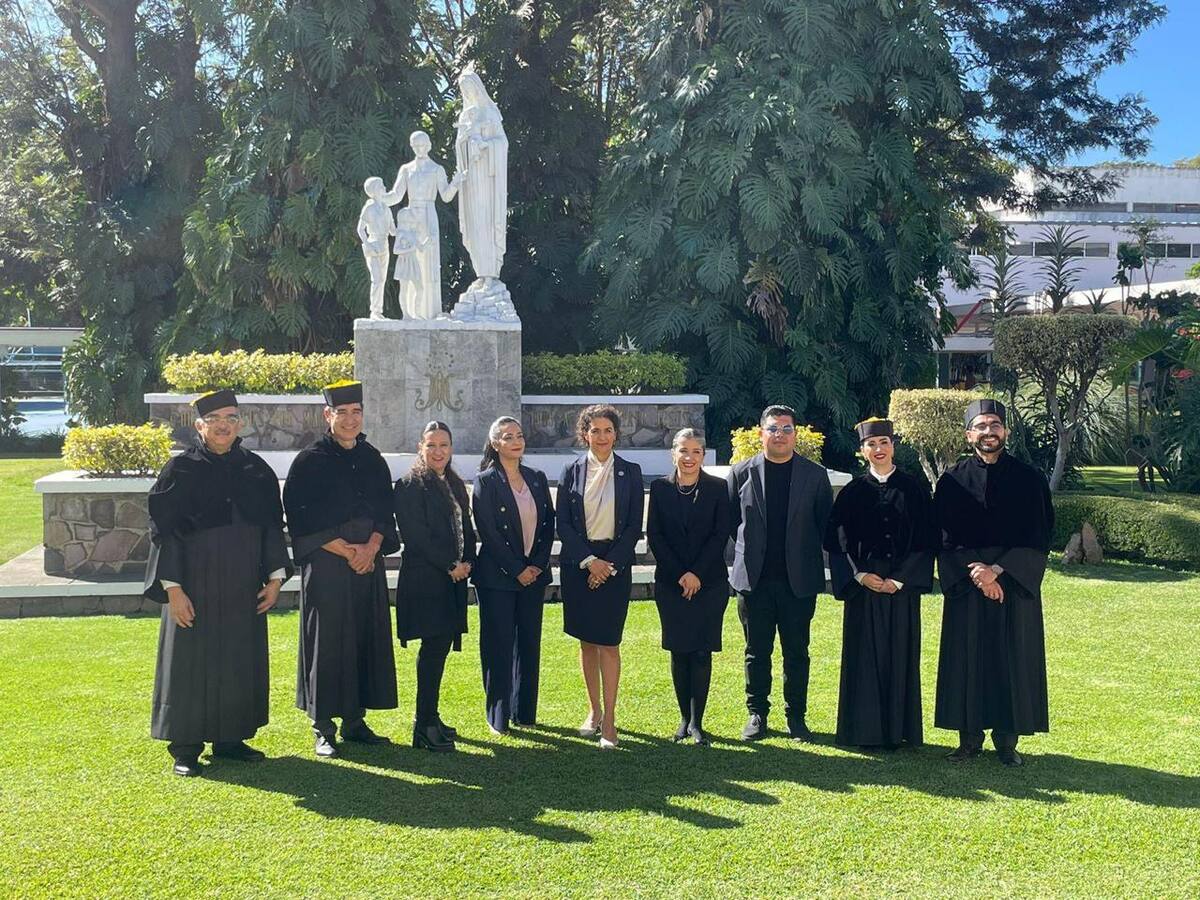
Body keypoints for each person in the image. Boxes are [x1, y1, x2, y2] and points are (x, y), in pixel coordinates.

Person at [144, 389, 292, 777]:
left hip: (244, 584)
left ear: (240, 423)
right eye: (215, 419)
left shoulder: (256, 470)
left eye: (231, 417)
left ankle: (231, 738)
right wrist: (173, 590)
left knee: (238, 658)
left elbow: (271, 527)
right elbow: (165, 533)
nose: (224, 425)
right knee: (191, 661)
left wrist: (275, 579)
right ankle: (186, 747)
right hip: (194, 583)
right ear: (199, 425)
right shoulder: (180, 470)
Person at [283, 380, 400, 759]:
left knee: (364, 636)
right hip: (328, 563)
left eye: (356, 412)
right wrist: (347, 551)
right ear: (327, 415)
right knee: (328, 642)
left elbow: (386, 511)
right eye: (342, 413)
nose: (350, 420)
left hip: (368, 561)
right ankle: (323, 726)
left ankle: (355, 720)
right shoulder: (309, 461)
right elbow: (301, 518)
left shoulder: (372, 458)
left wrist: (371, 547)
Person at [934, 399, 1054, 767]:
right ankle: (968, 740)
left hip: (1013, 586)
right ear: (969, 433)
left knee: (1012, 660)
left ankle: (1007, 741)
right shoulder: (952, 480)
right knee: (966, 661)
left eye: (995, 425)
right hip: (968, 585)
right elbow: (941, 535)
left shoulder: (1029, 479)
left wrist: (998, 571)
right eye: (981, 426)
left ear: (1006, 431)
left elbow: (1040, 534)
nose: (989, 432)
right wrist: (976, 571)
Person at [823, 418, 935, 750]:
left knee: (900, 656)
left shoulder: (913, 488)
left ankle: (900, 732)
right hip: (864, 587)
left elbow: (927, 539)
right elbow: (836, 540)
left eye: (883, 442)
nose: (878, 449)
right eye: (871, 444)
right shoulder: (852, 493)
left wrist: (901, 578)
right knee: (863, 658)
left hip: (901, 587)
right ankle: (863, 731)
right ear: (862, 451)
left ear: (893, 446)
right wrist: (859, 574)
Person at [727, 404, 833, 741]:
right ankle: (757, 714)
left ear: (796, 434)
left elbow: (824, 525)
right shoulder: (741, 473)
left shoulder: (814, 476)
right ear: (761, 433)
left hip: (798, 581)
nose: (780, 435)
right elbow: (733, 524)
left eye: (787, 429)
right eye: (773, 428)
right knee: (756, 651)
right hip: (754, 580)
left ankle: (796, 717)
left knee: (797, 653)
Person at [557, 404, 644, 749]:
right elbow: (563, 522)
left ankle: (610, 719)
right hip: (579, 565)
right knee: (587, 641)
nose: (602, 436)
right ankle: (593, 712)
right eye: (595, 431)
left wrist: (607, 565)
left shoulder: (631, 472)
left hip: (614, 564)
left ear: (616, 434)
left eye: (608, 430)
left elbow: (634, 525)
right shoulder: (570, 470)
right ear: (584, 434)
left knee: (608, 643)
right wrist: (589, 561)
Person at [394, 421, 476, 752]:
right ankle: (423, 726)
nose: (438, 451)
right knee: (432, 650)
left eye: (444, 445)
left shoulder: (453, 483)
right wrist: (450, 566)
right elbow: (416, 538)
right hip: (427, 579)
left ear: (451, 448)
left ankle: (432, 715)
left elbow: (465, 528)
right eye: (431, 445)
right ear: (420, 448)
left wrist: (468, 561)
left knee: (440, 648)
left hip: (453, 579)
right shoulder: (409, 485)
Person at [471, 417, 555, 735]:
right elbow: (488, 532)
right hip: (497, 578)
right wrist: (516, 569)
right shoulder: (486, 481)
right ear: (496, 444)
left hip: (534, 576)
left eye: (519, 435)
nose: (516, 441)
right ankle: (498, 715)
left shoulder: (536, 477)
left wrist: (535, 565)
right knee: (498, 645)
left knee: (529, 644)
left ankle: (525, 712)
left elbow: (548, 524)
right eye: (508, 437)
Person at [646, 428, 731, 746]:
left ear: (703, 455)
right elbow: (655, 535)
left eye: (696, 451)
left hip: (709, 583)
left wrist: (696, 573)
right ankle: (683, 719)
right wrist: (681, 573)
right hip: (671, 583)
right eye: (684, 450)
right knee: (679, 649)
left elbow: (720, 534)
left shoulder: (717, 488)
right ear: (673, 453)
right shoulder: (659, 488)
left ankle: (698, 722)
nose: (689, 457)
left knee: (701, 650)